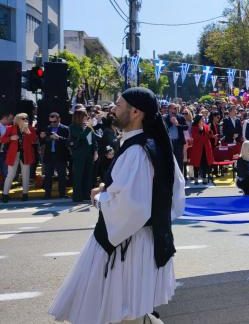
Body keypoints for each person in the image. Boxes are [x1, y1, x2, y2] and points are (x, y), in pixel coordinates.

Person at [49, 87, 185, 324]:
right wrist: (106, 189)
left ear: (135, 112)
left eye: (119, 105)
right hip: (137, 240)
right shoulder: (150, 145)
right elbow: (171, 192)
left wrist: (101, 199)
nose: (113, 108)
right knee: (126, 311)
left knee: (122, 311)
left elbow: (134, 207)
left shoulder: (137, 151)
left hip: (126, 244)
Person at [1, 113, 37, 202]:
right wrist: (11, 138)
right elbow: (2, 139)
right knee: (10, 175)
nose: (25, 120)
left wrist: (28, 132)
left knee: (25, 175)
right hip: (14, 154)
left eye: (26, 118)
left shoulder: (30, 128)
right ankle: (5, 195)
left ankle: (25, 194)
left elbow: (34, 140)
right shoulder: (10, 128)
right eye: (23, 118)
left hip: (26, 154)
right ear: (18, 119)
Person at [69, 106, 98, 202]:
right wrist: (88, 127)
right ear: (79, 117)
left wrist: (96, 151)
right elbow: (81, 135)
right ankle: (77, 196)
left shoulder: (87, 127)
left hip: (89, 154)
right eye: (85, 116)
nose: (87, 117)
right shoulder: (73, 127)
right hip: (79, 155)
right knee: (78, 175)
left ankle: (86, 194)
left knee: (88, 175)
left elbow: (93, 140)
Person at [40, 112, 70, 199]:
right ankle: (47, 194)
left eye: (54, 121)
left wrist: (58, 138)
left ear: (59, 119)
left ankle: (62, 193)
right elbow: (43, 142)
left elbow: (68, 141)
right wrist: (43, 137)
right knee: (48, 176)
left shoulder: (65, 128)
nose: (52, 123)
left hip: (60, 155)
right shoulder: (48, 128)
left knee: (62, 175)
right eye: (51, 122)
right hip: (49, 155)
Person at [189, 115, 215, 185]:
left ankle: (204, 177)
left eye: (203, 118)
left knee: (205, 163)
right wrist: (200, 130)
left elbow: (210, 136)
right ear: (198, 120)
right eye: (202, 119)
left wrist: (209, 130)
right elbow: (195, 136)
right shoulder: (194, 127)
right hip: (198, 148)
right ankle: (196, 178)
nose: (203, 120)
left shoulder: (206, 126)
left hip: (206, 148)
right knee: (196, 164)